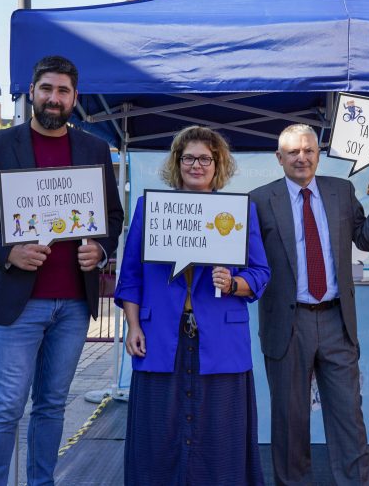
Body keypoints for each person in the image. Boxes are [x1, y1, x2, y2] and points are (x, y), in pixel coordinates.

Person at [0, 55, 124, 485]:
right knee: (7, 405)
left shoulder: (93, 149)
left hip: (71, 303)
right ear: (32, 92)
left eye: (63, 91)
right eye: (46, 88)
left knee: (52, 405)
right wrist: (7, 252)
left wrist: (101, 252)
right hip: (18, 301)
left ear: (75, 99)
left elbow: (112, 216)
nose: (54, 98)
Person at [115, 125, 270, 485]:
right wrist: (133, 326)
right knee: (157, 436)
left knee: (221, 438)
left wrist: (234, 283)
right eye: (189, 158)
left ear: (218, 164)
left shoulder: (241, 211)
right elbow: (131, 275)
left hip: (220, 339)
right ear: (177, 162)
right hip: (158, 336)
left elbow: (261, 273)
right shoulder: (148, 208)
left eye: (205, 158)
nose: (196, 165)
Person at [249, 123, 369, 485]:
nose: (302, 157)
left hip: (336, 322)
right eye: (293, 152)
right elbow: (247, 259)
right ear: (279, 158)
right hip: (287, 324)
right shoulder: (258, 200)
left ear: (318, 154)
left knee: (349, 418)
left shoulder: (341, 191)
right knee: (289, 421)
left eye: (309, 151)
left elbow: (367, 240)